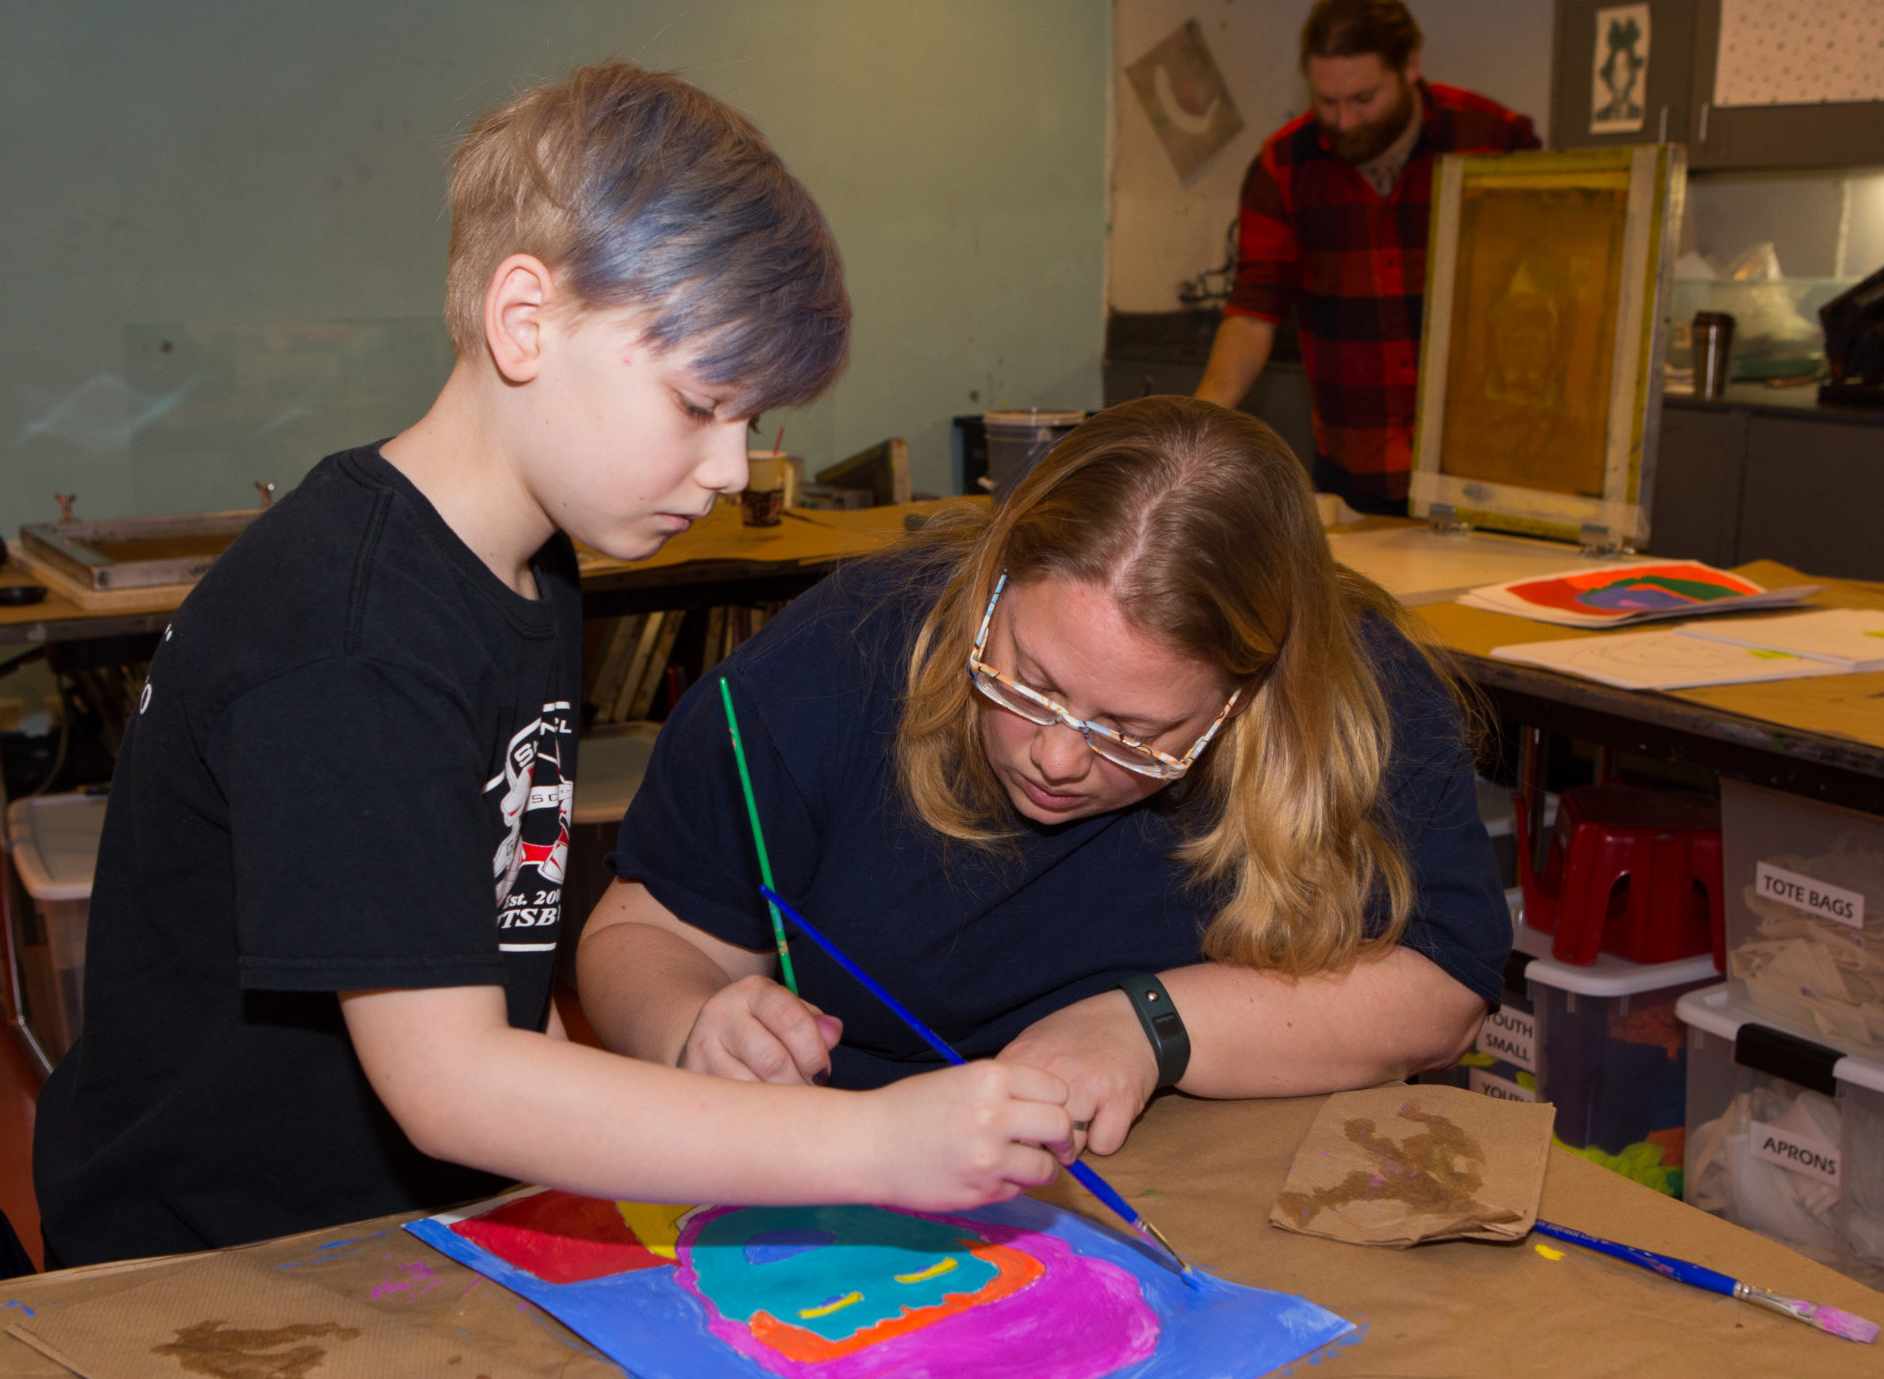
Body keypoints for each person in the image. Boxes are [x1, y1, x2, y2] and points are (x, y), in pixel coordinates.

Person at [31, 65, 1076, 1267]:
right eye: (700, 405)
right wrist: (865, 1145)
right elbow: (452, 1083)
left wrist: (689, 1035)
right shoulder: (352, 636)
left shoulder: (527, 568)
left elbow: (478, 975)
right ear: (525, 323)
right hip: (215, 1262)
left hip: (402, 1223)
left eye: (751, 423)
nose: (734, 470)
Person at [578, 396, 1509, 1155]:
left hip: (1215, 1179)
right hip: (852, 1179)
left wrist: (1153, 1026)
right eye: (1028, 681)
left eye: (1137, 731)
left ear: (1249, 695)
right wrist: (690, 1024)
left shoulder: (1358, 692)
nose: (1057, 759)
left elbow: (1445, 987)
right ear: (994, 583)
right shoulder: (832, 666)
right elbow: (638, 933)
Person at [1193, 0, 1540, 517]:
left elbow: (1549, 293)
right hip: (1355, 471)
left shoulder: (1493, 142)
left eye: (1363, 99)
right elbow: (1252, 314)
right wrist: (1194, 423)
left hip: (1490, 461)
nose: (1344, 121)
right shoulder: (1284, 166)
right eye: (1326, 102)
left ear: (1410, 68)